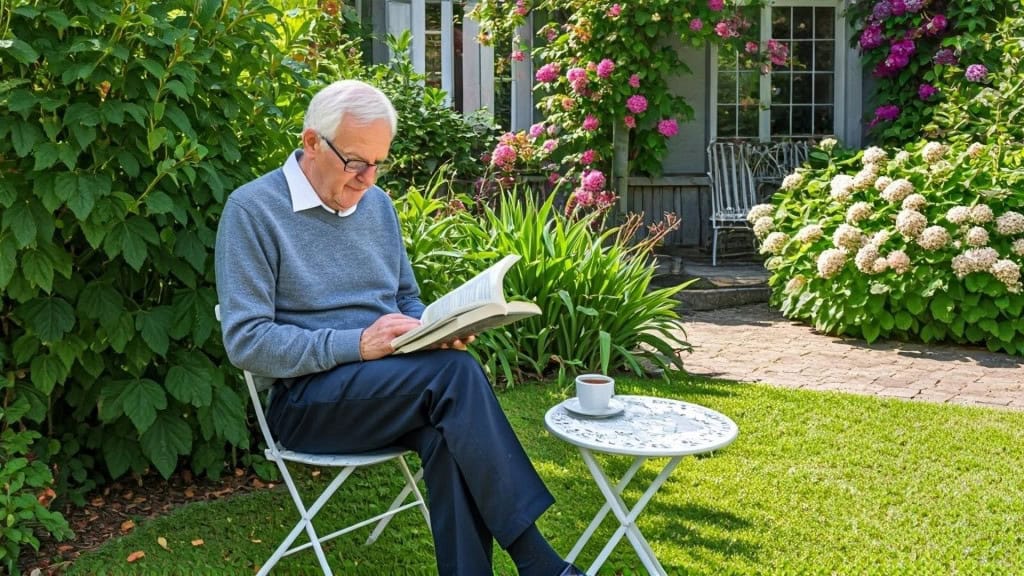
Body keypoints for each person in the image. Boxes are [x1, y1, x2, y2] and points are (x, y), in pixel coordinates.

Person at [215, 79, 585, 576]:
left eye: (378, 163)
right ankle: (538, 562)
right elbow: (247, 341)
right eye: (355, 163)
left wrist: (431, 328)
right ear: (310, 143)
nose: (367, 179)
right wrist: (357, 344)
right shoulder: (253, 210)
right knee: (455, 377)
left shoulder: (377, 206)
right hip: (304, 403)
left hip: (390, 388)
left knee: (445, 435)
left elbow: (405, 298)